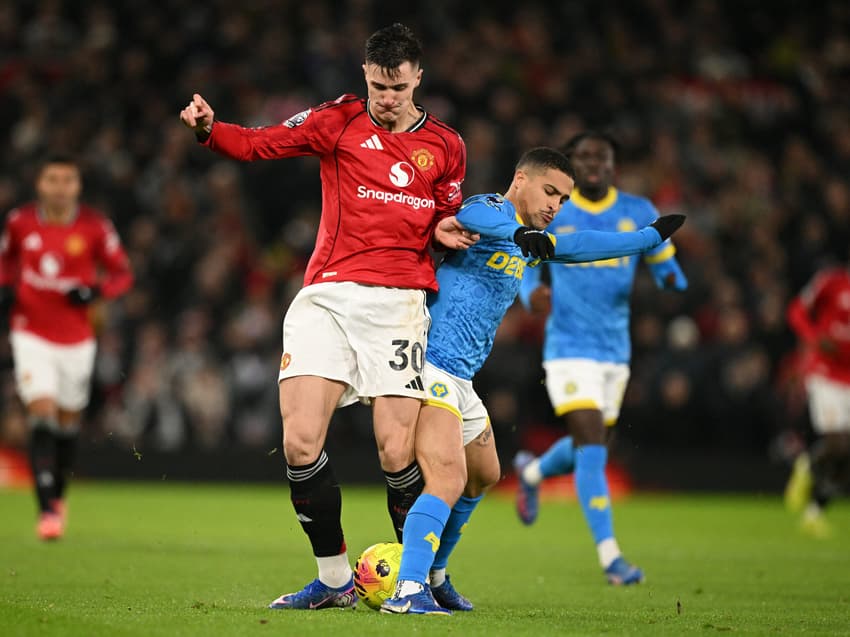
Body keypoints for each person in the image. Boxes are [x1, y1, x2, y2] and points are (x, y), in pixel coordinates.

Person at [179, 23, 476, 610]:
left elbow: (447, 218)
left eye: (395, 87)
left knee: (396, 452)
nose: (385, 98)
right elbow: (262, 143)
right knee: (299, 442)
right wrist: (213, 131)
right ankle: (336, 580)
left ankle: (417, 578)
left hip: (399, 307)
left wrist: (449, 233)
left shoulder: (446, 145)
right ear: (364, 76)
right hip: (328, 297)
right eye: (375, 86)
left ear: (418, 78)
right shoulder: (337, 120)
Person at [380, 147, 685, 614]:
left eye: (563, 199)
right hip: (431, 364)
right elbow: (473, 213)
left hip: (462, 377)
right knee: (447, 477)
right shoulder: (492, 212)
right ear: (520, 179)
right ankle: (407, 590)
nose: (555, 206)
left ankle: (436, 575)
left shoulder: (533, 241)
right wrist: (521, 231)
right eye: (549, 192)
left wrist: (644, 240)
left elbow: (583, 244)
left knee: (483, 477)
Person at [513, 131, 688, 585]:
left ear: (613, 165)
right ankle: (611, 558)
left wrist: (673, 281)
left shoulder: (637, 211)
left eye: (602, 157)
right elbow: (527, 263)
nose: (593, 164)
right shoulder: (556, 209)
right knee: (592, 445)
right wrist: (533, 295)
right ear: (570, 164)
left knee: (590, 443)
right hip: (568, 346)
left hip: (615, 349)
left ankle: (531, 472)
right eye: (584, 157)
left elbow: (665, 261)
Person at [0, 154, 133, 540]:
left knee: (67, 422)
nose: (60, 187)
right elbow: (6, 262)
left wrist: (96, 291)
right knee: (41, 409)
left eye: (67, 180)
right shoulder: (19, 223)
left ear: (77, 186)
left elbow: (122, 273)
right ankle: (46, 509)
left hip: (76, 338)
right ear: (40, 185)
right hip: (30, 331)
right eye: (52, 179)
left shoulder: (94, 227)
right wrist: (7, 290)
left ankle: (57, 496)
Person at [784, 263, 850, 538]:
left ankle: (814, 508)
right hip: (825, 372)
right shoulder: (831, 281)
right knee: (838, 441)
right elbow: (797, 310)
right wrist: (814, 338)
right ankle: (810, 467)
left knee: (844, 452)